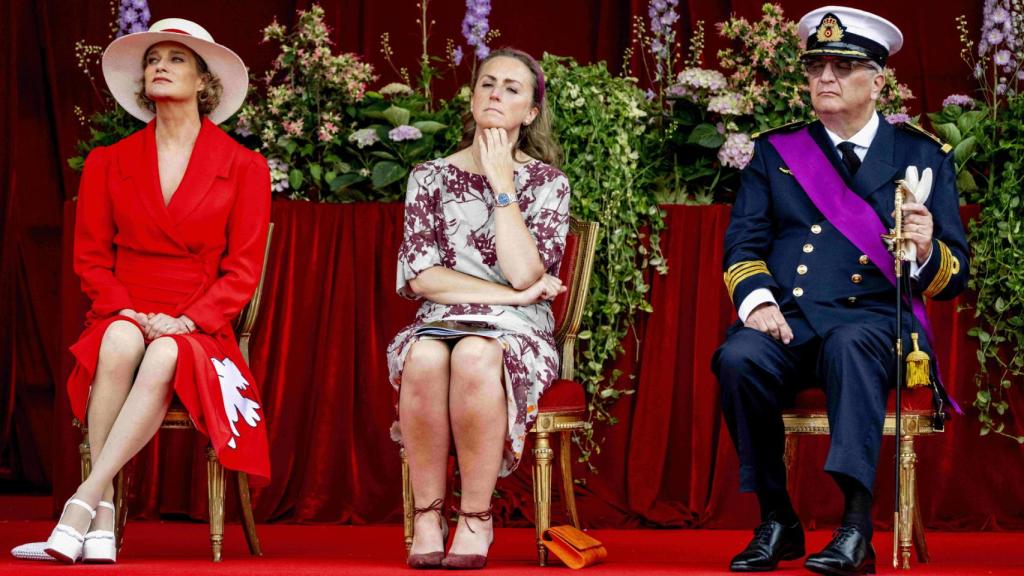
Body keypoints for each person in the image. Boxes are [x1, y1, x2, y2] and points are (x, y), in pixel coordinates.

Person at [712, 6, 969, 575]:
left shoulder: (920, 157)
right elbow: (743, 245)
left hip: (875, 327)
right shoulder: (776, 154)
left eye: (843, 66)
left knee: (851, 344)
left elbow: (956, 279)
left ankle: (856, 527)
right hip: (790, 321)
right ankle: (777, 519)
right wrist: (758, 304)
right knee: (738, 357)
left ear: (878, 80)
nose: (825, 78)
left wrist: (925, 249)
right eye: (816, 67)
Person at [20, 18, 271, 564]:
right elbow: (89, 258)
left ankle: (85, 502)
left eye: (176, 58)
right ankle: (103, 514)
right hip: (122, 307)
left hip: (199, 323)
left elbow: (243, 268)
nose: (160, 65)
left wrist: (189, 320)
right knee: (119, 341)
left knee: (162, 349)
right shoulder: (107, 162)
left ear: (205, 82)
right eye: (153, 58)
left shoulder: (244, 167)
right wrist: (126, 310)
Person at [387, 48, 571, 570]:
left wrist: (502, 184)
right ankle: (427, 513)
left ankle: (475, 516)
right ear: (471, 97)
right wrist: (513, 294)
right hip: (442, 319)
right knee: (423, 356)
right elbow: (423, 277)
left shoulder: (547, 184)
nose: (496, 93)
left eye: (513, 88)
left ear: (531, 113)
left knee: (474, 354)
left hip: (520, 332)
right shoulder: (428, 177)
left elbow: (525, 274)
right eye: (488, 83)